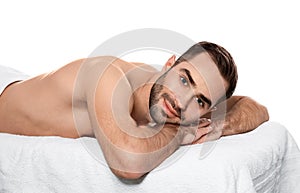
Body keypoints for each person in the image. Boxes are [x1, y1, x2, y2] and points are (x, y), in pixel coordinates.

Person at [0, 41, 269, 180]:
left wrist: (219, 127)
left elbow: (257, 109)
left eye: (200, 101)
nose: (182, 102)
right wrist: (180, 135)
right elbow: (128, 164)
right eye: (185, 79)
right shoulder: (108, 78)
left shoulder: (177, 98)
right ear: (169, 64)